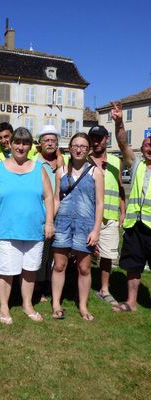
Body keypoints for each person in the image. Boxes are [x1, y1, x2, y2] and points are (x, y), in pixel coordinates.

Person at [0, 127, 54, 324]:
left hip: (34, 229)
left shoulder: (39, 168)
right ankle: (4, 306)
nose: (21, 147)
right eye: (17, 142)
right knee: (5, 270)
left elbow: (49, 197)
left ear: (30, 146)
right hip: (6, 229)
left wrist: (49, 222)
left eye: (25, 143)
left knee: (30, 270)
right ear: (11, 144)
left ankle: (27, 304)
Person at [52, 132, 104, 321]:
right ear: (70, 148)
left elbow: (99, 203)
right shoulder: (61, 171)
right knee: (59, 265)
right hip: (63, 224)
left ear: (89, 149)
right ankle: (56, 303)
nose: (79, 149)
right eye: (76, 145)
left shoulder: (95, 172)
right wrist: (50, 221)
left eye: (83, 146)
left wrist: (96, 229)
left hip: (85, 225)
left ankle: (83, 306)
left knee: (84, 268)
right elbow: (56, 199)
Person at [110, 101, 151, 312]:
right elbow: (123, 143)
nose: (150, 148)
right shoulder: (136, 164)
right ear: (142, 148)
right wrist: (119, 123)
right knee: (133, 267)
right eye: (147, 144)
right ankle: (132, 302)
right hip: (135, 225)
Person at [88, 125, 125, 306]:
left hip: (109, 216)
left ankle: (104, 289)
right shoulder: (84, 160)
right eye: (93, 138)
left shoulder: (115, 161)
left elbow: (119, 188)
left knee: (108, 256)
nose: (96, 141)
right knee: (85, 254)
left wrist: (123, 211)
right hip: (88, 215)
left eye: (99, 138)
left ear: (106, 139)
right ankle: (83, 286)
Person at [32, 125, 64, 301]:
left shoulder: (62, 161)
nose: (50, 143)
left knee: (55, 252)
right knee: (40, 252)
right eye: (47, 140)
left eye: (53, 140)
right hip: (42, 213)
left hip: (61, 213)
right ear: (40, 143)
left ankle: (51, 285)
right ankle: (36, 286)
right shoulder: (34, 162)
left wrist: (60, 159)